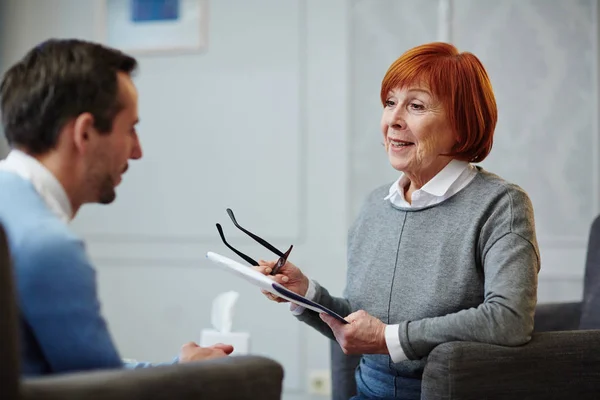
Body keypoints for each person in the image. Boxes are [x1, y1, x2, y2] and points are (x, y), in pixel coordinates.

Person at [256, 42, 540, 399]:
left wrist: (390, 338)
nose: (392, 120)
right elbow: (363, 326)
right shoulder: (376, 205)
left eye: (416, 106)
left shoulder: (500, 204)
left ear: (462, 125)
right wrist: (305, 294)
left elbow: (509, 320)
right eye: (390, 103)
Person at [0, 38, 233, 376]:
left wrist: (173, 368)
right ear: (85, 133)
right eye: (131, 129)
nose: (137, 151)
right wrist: (186, 376)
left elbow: (75, 370)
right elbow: (103, 389)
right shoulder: (47, 246)